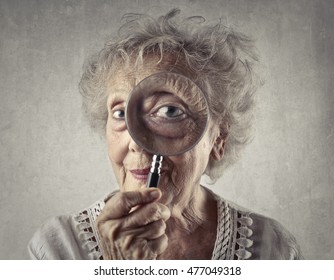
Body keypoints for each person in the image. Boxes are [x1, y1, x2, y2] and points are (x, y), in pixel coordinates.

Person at [28, 9, 301, 260]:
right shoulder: (56, 249)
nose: (137, 142)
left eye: (170, 111)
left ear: (218, 139)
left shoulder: (273, 249)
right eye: (121, 114)